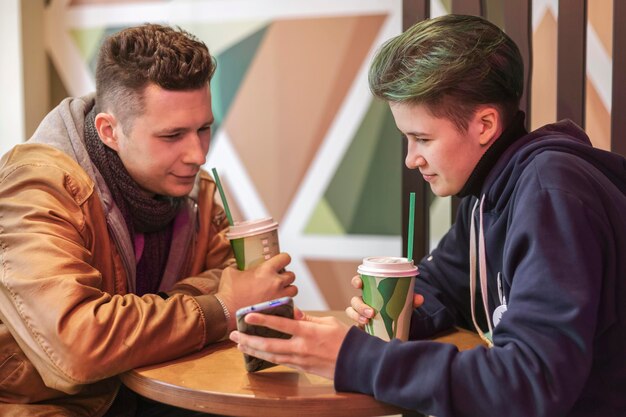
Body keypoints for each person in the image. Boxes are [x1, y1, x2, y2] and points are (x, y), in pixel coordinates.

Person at [229, 14, 626, 417]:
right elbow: (443, 284)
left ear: (485, 125)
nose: (410, 159)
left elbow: (530, 382)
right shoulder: (487, 192)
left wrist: (354, 359)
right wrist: (403, 312)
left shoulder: (549, 192)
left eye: (422, 138)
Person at [0, 24, 297, 417]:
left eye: (204, 129)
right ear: (109, 131)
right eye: (172, 135)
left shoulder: (198, 193)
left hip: (157, 387)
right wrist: (221, 307)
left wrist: (143, 315)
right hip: (49, 404)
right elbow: (77, 347)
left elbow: (237, 278)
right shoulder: (36, 188)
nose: (198, 155)